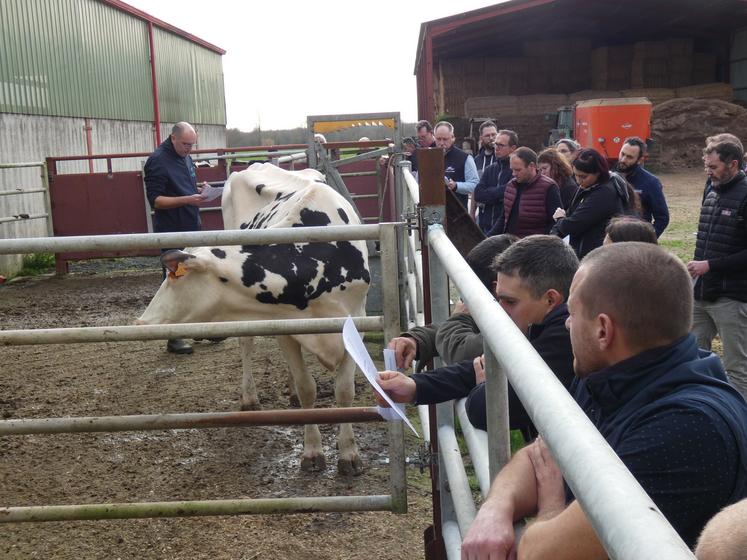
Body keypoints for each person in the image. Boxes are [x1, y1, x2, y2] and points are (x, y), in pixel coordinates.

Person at [461, 242, 747, 558]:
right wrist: (496, 507)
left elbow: (543, 554)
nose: (567, 324)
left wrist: (553, 503)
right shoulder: (609, 376)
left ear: (603, 331)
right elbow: (538, 457)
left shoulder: (685, 430)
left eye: (571, 313)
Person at [379, 235, 577, 437]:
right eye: (497, 300)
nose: (499, 311)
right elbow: (478, 366)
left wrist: (485, 385)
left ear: (551, 299)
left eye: (509, 302)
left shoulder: (564, 340)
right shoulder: (538, 325)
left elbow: (485, 410)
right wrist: (414, 386)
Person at [388, 234, 518, 370]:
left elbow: (461, 349)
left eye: (469, 290)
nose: (464, 299)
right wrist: (416, 340)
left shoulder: (517, 324)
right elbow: (463, 332)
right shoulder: (509, 308)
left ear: (496, 288)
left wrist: (462, 317)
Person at [688, 138, 747, 398]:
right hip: (701, 291)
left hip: (732, 296)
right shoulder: (710, 189)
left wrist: (710, 265)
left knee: (737, 367)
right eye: (706, 166)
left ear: (733, 164)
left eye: (713, 167)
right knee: (693, 358)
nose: (708, 172)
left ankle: (739, 424)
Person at [144, 121, 206, 355]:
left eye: (192, 144)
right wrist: (188, 199)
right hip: (171, 231)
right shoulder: (158, 161)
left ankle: (199, 327)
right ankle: (173, 335)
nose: (189, 148)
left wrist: (199, 190)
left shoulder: (185, 157)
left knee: (194, 277)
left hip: (190, 227)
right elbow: (157, 201)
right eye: (185, 144)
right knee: (175, 278)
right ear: (173, 138)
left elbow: (184, 187)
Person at [550, 148, 630, 259]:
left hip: (598, 255)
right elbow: (571, 214)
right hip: (585, 250)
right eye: (576, 175)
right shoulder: (588, 187)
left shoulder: (604, 193)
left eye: (583, 176)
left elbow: (573, 225)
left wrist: (560, 219)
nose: (578, 181)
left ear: (598, 173)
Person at [488, 148, 562, 237]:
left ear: (532, 166)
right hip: (510, 244)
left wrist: (541, 244)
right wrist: (487, 239)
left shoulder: (549, 187)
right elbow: (504, 218)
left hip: (534, 246)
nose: (514, 174)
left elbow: (556, 222)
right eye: (512, 169)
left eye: (518, 170)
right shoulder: (511, 186)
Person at [616, 136, 669, 236]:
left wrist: (647, 239)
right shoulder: (609, 176)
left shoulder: (651, 182)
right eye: (622, 154)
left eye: (629, 157)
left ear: (640, 160)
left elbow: (662, 218)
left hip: (635, 240)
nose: (623, 160)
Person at [474, 129, 519, 234]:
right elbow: (478, 194)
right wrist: (499, 194)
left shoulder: (516, 170)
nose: (496, 148)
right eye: (496, 144)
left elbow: (510, 191)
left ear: (513, 148)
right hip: (486, 227)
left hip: (506, 230)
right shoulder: (490, 169)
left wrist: (489, 193)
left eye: (501, 145)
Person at [434, 121, 478, 209]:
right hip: (433, 212)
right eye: (438, 139)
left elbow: (475, 185)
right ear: (434, 138)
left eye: (445, 139)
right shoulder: (427, 158)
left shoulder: (465, 158)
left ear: (453, 138)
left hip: (457, 214)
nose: (441, 143)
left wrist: (456, 186)